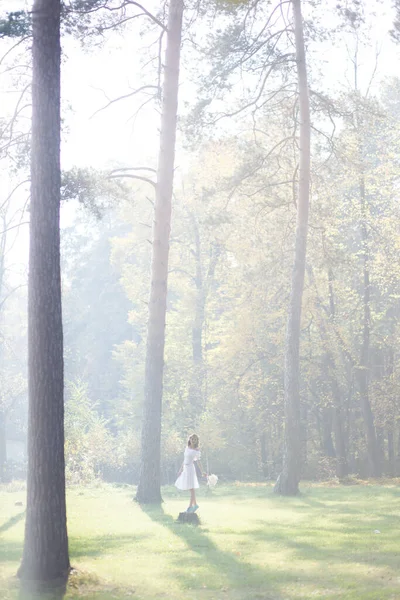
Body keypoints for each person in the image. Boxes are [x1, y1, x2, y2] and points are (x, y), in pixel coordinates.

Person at [175, 433, 205, 513]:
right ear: (189, 439)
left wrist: (202, 472)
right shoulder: (187, 448)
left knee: (191, 488)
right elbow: (184, 460)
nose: (193, 441)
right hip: (185, 468)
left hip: (191, 469)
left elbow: (198, 462)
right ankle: (195, 505)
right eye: (192, 439)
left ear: (196, 441)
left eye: (195, 440)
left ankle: (190, 507)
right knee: (190, 488)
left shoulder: (196, 451)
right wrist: (180, 470)